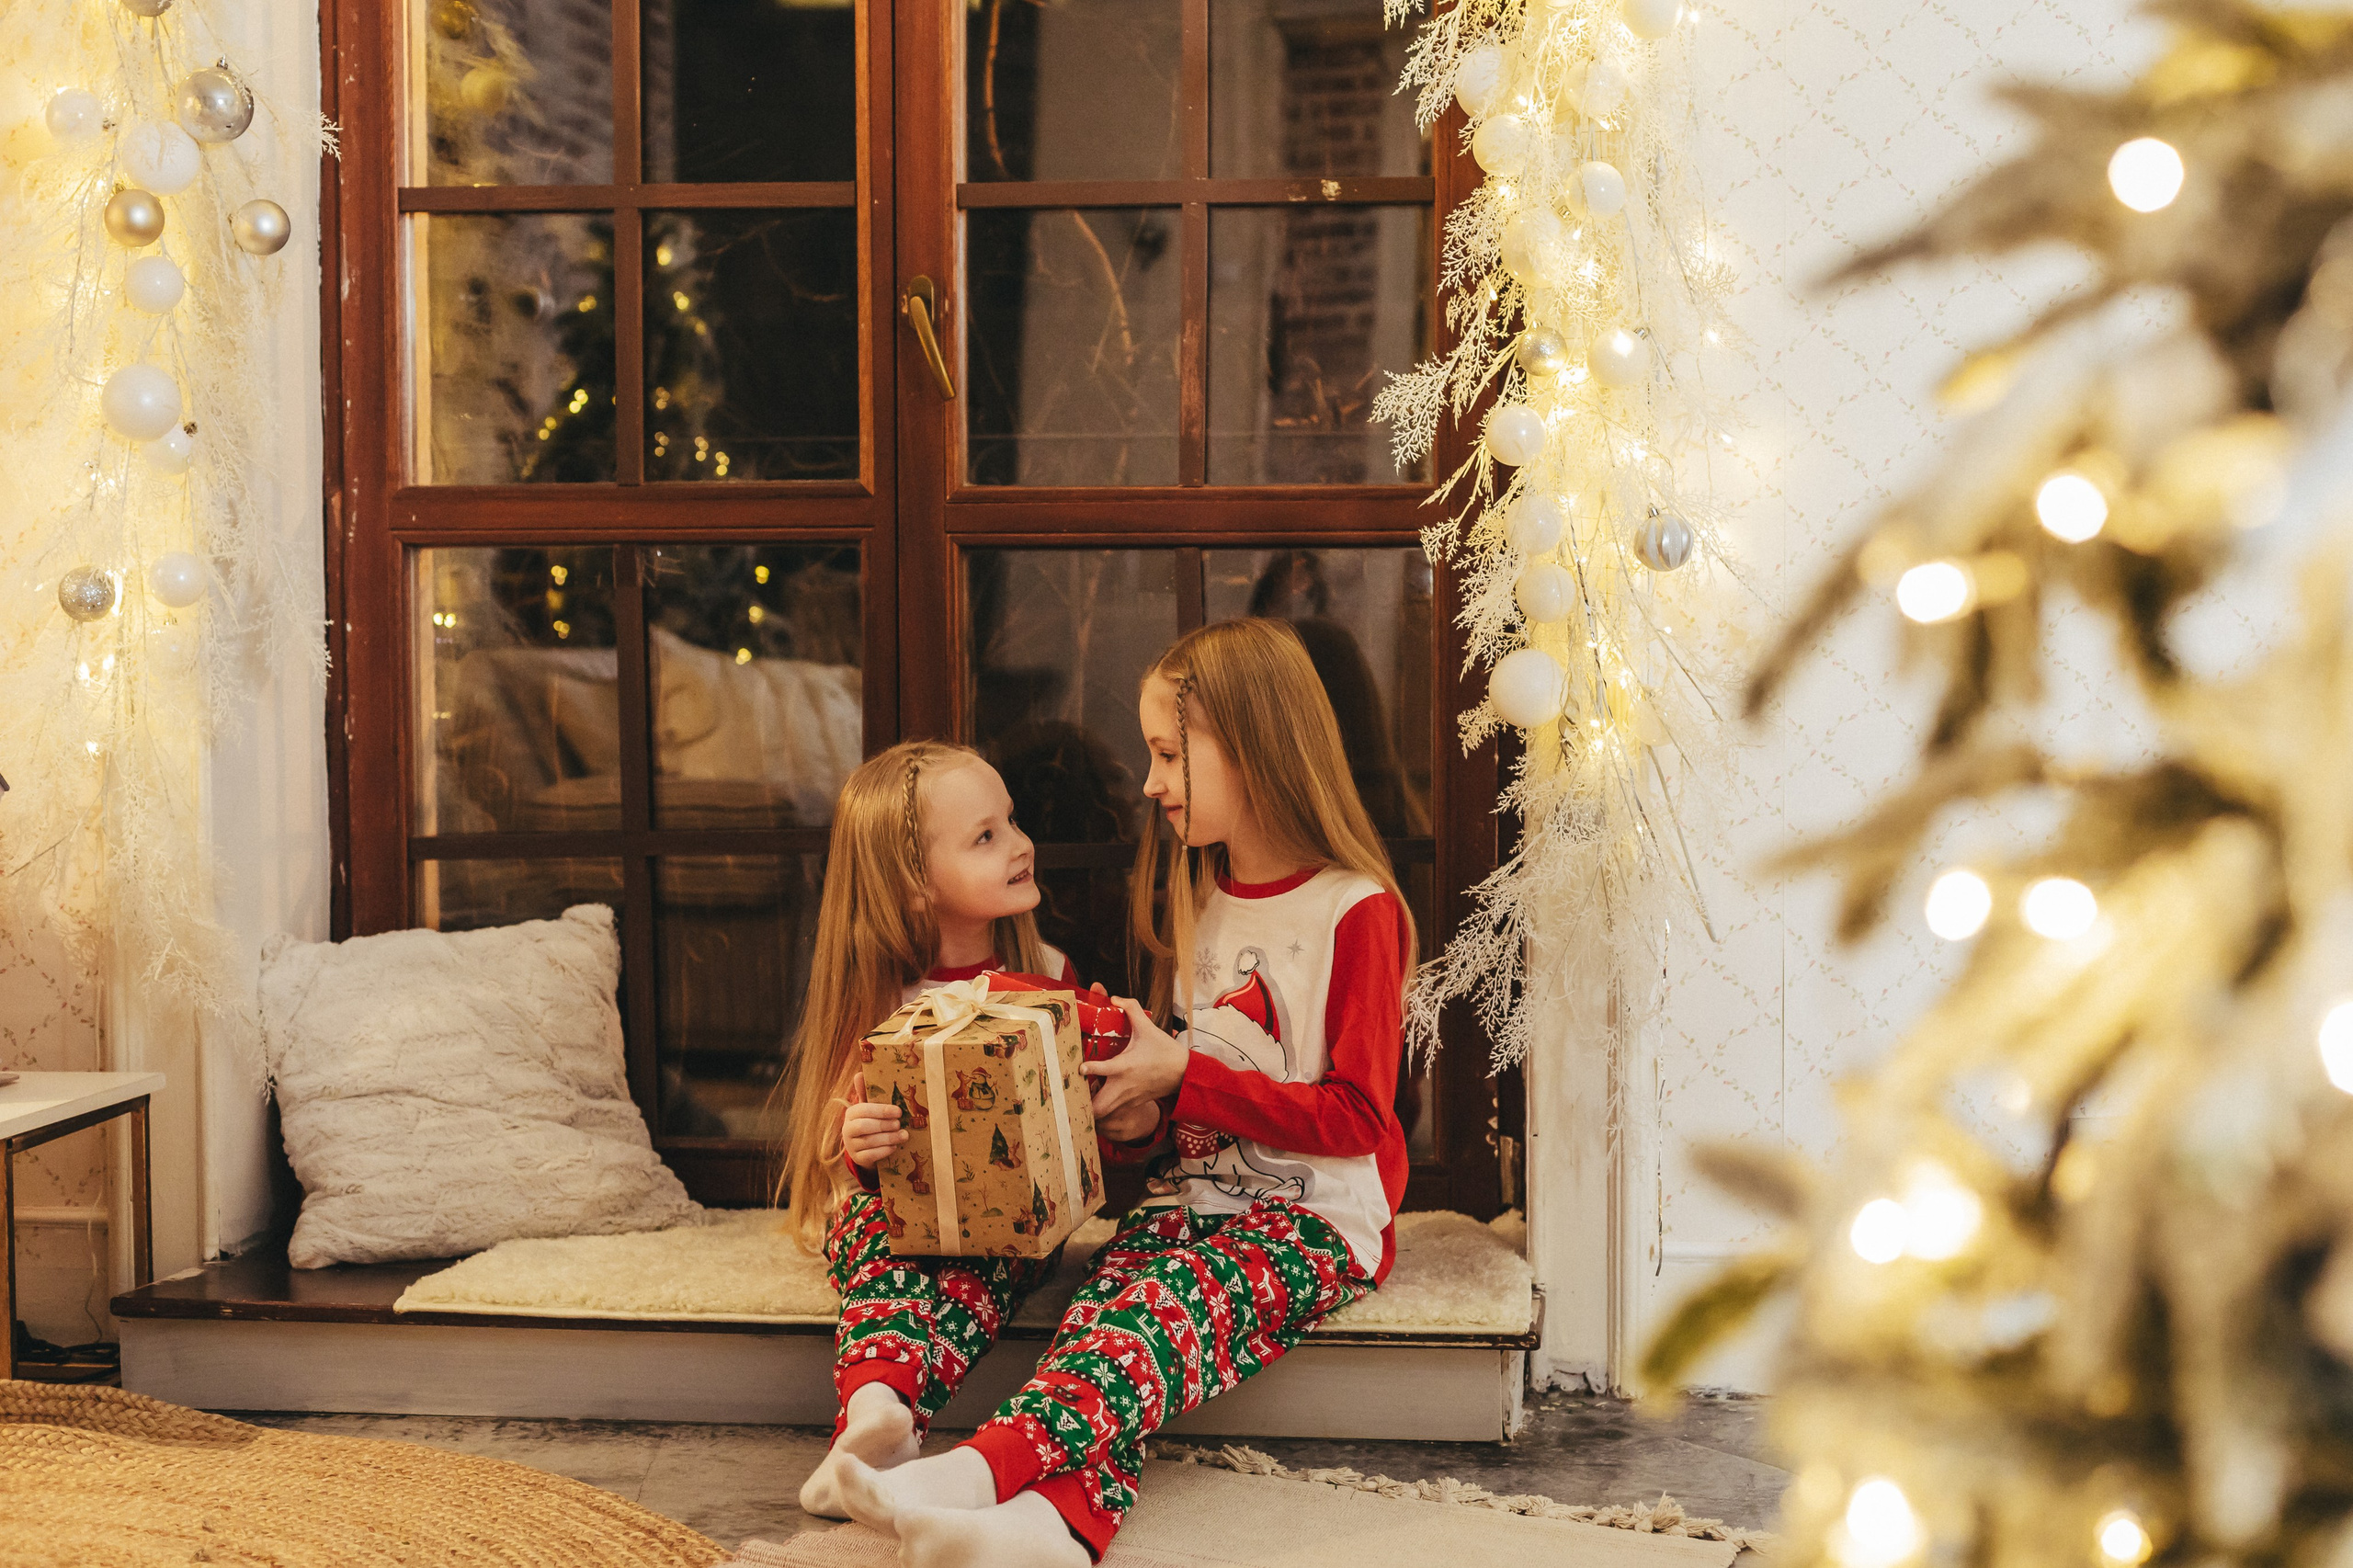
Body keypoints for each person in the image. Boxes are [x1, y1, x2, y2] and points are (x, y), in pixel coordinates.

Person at [834, 619, 1415, 1568]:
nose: (1149, 783)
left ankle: (980, 1470)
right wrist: (1146, 1115)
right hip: (1195, 1201)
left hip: (1311, 1219)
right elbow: (1194, 1105)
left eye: (1168, 754)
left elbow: (1356, 1120)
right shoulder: (1205, 894)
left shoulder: (1356, 909)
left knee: (1156, 1313)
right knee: (1105, 1325)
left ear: (1255, 750)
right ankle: (1053, 1528)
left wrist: (1183, 1074)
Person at [779, 740, 1075, 1522]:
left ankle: (875, 1425)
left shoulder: (1049, 975)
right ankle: (880, 1408)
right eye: (986, 837)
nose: (1020, 845)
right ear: (914, 886)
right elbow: (837, 1155)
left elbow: (1075, 1143)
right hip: (898, 1222)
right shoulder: (882, 997)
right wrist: (861, 1144)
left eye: (1010, 822)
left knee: (979, 1277)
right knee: (880, 1247)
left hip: (1004, 1235)